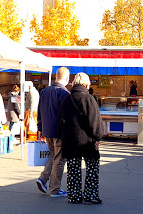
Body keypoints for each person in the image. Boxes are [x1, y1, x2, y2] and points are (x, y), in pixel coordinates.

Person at [58, 72, 104, 204]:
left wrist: (62, 136)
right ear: (86, 83)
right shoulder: (89, 99)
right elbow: (94, 121)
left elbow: (60, 120)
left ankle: (74, 196)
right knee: (92, 168)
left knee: (73, 170)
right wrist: (97, 137)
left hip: (70, 140)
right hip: (87, 141)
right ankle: (90, 195)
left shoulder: (67, 99)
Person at [36, 67, 70, 198]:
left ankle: (43, 178)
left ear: (56, 76)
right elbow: (66, 116)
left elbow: (39, 111)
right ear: (66, 78)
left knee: (53, 155)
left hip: (47, 130)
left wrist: (40, 128)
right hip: (59, 131)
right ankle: (55, 189)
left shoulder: (44, 91)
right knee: (60, 159)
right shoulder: (64, 93)